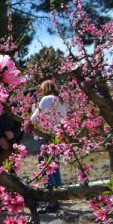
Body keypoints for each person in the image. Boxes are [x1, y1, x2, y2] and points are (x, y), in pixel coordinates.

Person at [31, 80, 67, 213]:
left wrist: (30, 118)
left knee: (47, 167)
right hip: (57, 136)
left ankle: (51, 201)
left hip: (45, 137)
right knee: (55, 166)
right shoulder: (61, 100)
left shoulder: (46, 99)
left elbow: (34, 118)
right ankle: (58, 195)